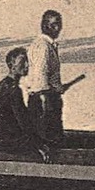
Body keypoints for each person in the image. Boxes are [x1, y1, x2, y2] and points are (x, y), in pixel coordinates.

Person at [24, 9, 65, 148]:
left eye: (59, 24)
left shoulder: (46, 45)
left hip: (46, 97)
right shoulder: (43, 46)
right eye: (54, 25)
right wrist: (48, 100)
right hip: (44, 99)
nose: (58, 28)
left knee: (50, 136)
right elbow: (41, 77)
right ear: (45, 26)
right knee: (48, 137)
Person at [0, 47, 39, 153]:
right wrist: (38, 145)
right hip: (6, 141)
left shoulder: (5, 83)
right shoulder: (12, 88)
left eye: (28, 61)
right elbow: (23, 120)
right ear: (12, 66)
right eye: (22, 62)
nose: (27, 65)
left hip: (4, 137)